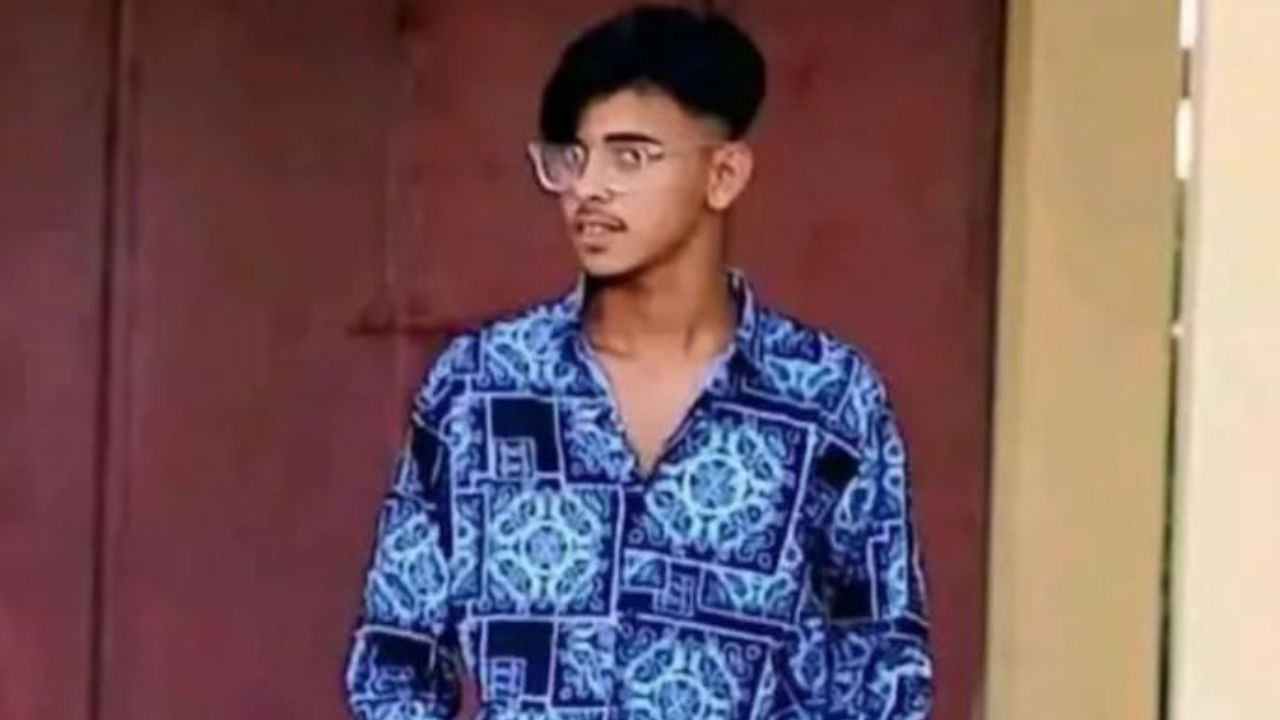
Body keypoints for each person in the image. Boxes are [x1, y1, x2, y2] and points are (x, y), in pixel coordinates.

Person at [344, 4, 933, 718]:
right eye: (572, 157)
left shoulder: (826, 398)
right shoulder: (480, 389)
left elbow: (883, 667)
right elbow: (395, 660)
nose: (589, 188)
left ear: (723, 174)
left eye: (630, 157)